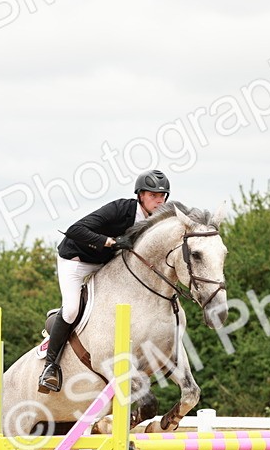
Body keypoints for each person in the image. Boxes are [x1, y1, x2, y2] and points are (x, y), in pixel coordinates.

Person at [38, 168, 171, 392]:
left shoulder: (157, 221)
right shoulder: (120, 209)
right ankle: (50, 366)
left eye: (162, 196)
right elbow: (75, 230)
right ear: (141, 196)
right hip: (76, 260)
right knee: (71, 310)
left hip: (106, 263)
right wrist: (111, 242)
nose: (159, 201)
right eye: (153, 195)